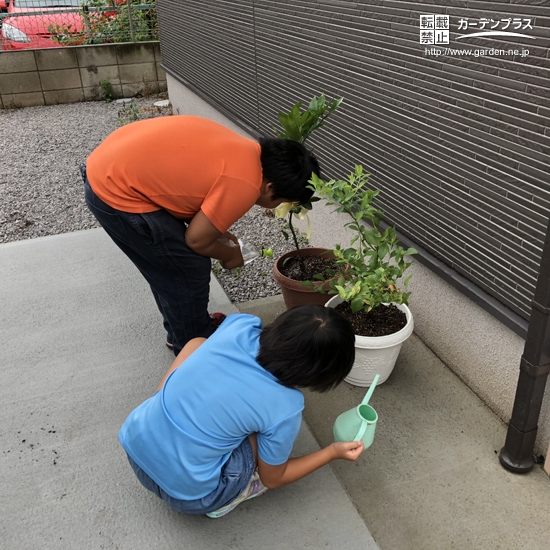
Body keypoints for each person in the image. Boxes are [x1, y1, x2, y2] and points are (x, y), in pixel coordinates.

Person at [81, 115, 320, 355]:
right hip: (117, 191)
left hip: (108, 165)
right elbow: (196, 240)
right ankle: (192, 351)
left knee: (166, 266)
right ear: (270, 188)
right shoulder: (247, 183)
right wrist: (230, 255)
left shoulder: (246, 150)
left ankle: (183, 334)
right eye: (282, 201)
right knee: (187, 267)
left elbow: (193, 190)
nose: (276, 206)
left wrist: (218, 232)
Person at [118, 305, 365, 518]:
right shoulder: (286, 406)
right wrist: (331, 452)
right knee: (257, 437)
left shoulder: (241, 325)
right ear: (320, 376)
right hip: (191, 497)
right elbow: (273, 478)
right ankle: (231, 496)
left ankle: (161, 402)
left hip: (135, 448)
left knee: (197, 344)